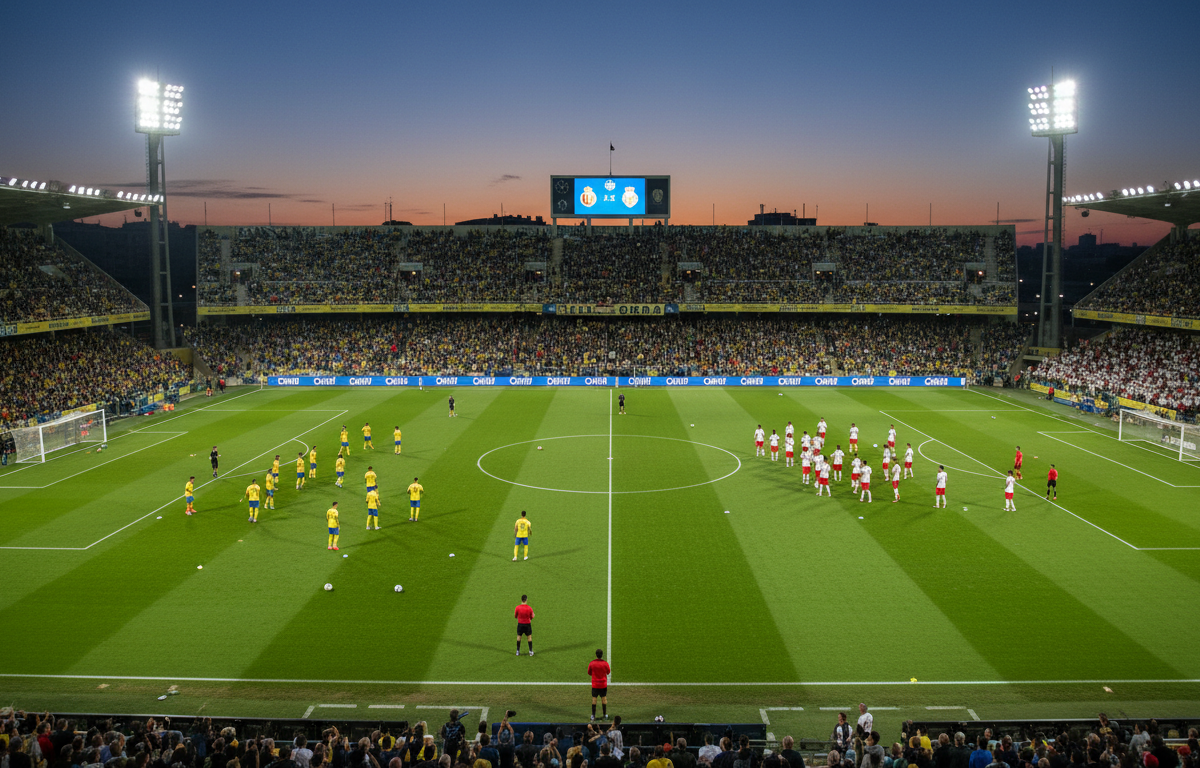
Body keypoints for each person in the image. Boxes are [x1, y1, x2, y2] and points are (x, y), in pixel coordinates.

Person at [588, 649, 610, 722]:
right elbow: (608, 672)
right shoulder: (605, 663)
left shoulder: (592, 663)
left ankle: (593, 716)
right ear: (602, 655)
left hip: (595, 684)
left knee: (594, 699)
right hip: (603, 684)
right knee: (604, 699)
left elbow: (589, 672)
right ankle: (604, 715)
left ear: (596, 655)